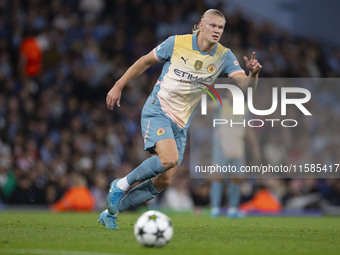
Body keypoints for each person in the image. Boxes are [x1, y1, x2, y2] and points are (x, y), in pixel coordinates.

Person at [98, 9, 262, 229]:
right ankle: (120, 185)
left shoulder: (224, 56)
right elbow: (145, 61)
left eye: (220, 28)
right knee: (168, 159)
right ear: (200, 25)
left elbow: (246, 87)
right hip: (158, 110)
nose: (216, 31)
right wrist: (118, 86)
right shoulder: (176, 43)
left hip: (182, 124)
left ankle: (111, 212)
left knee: (164, 180)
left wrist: (253, 74)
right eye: (212, 25)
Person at [210, 96, 261, 218]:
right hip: (222, 146)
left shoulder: (244, 108)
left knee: (236, 178)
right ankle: (215, 208)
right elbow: (207, 106)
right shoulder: (221, 104)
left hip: (238, 147)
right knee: (218, 177)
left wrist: (255, 148)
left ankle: (233, 209)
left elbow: (248, 128)